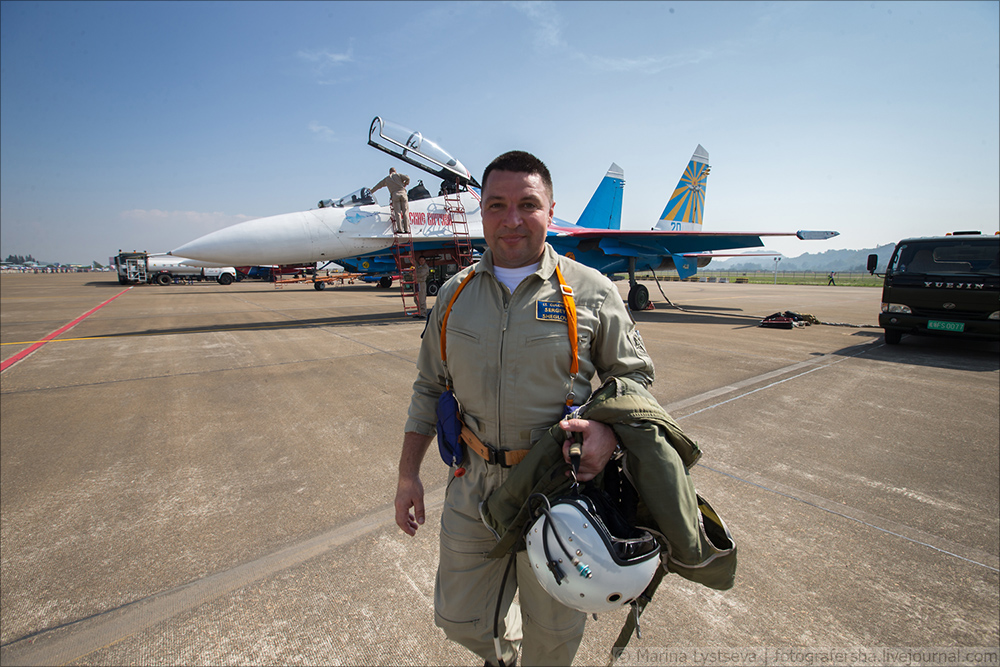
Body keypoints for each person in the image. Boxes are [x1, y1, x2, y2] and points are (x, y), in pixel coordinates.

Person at [394, 151, 655, 666]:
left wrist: (608, 431)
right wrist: (408, 475)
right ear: (482, 213)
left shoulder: (593, 292)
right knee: (459, 618)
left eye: (527, 204)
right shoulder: (454, 294)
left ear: (550, 210)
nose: (511, 219)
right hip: (473, 484)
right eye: (497, 205)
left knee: (554, 633)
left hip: (558, 491)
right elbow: (429, 387)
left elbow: (636, 378)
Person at [371, 167, 411, 233]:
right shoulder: (399, 175)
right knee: (405, 212)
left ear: (389, 172)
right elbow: (408, 178)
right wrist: (406, 184)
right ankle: (406, 229)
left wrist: (372, 191)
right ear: (395, 171)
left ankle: (400, 229)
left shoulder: (387, 179)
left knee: (397, 213)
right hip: (403, 194)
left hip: (395, 195)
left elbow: (378, 186)